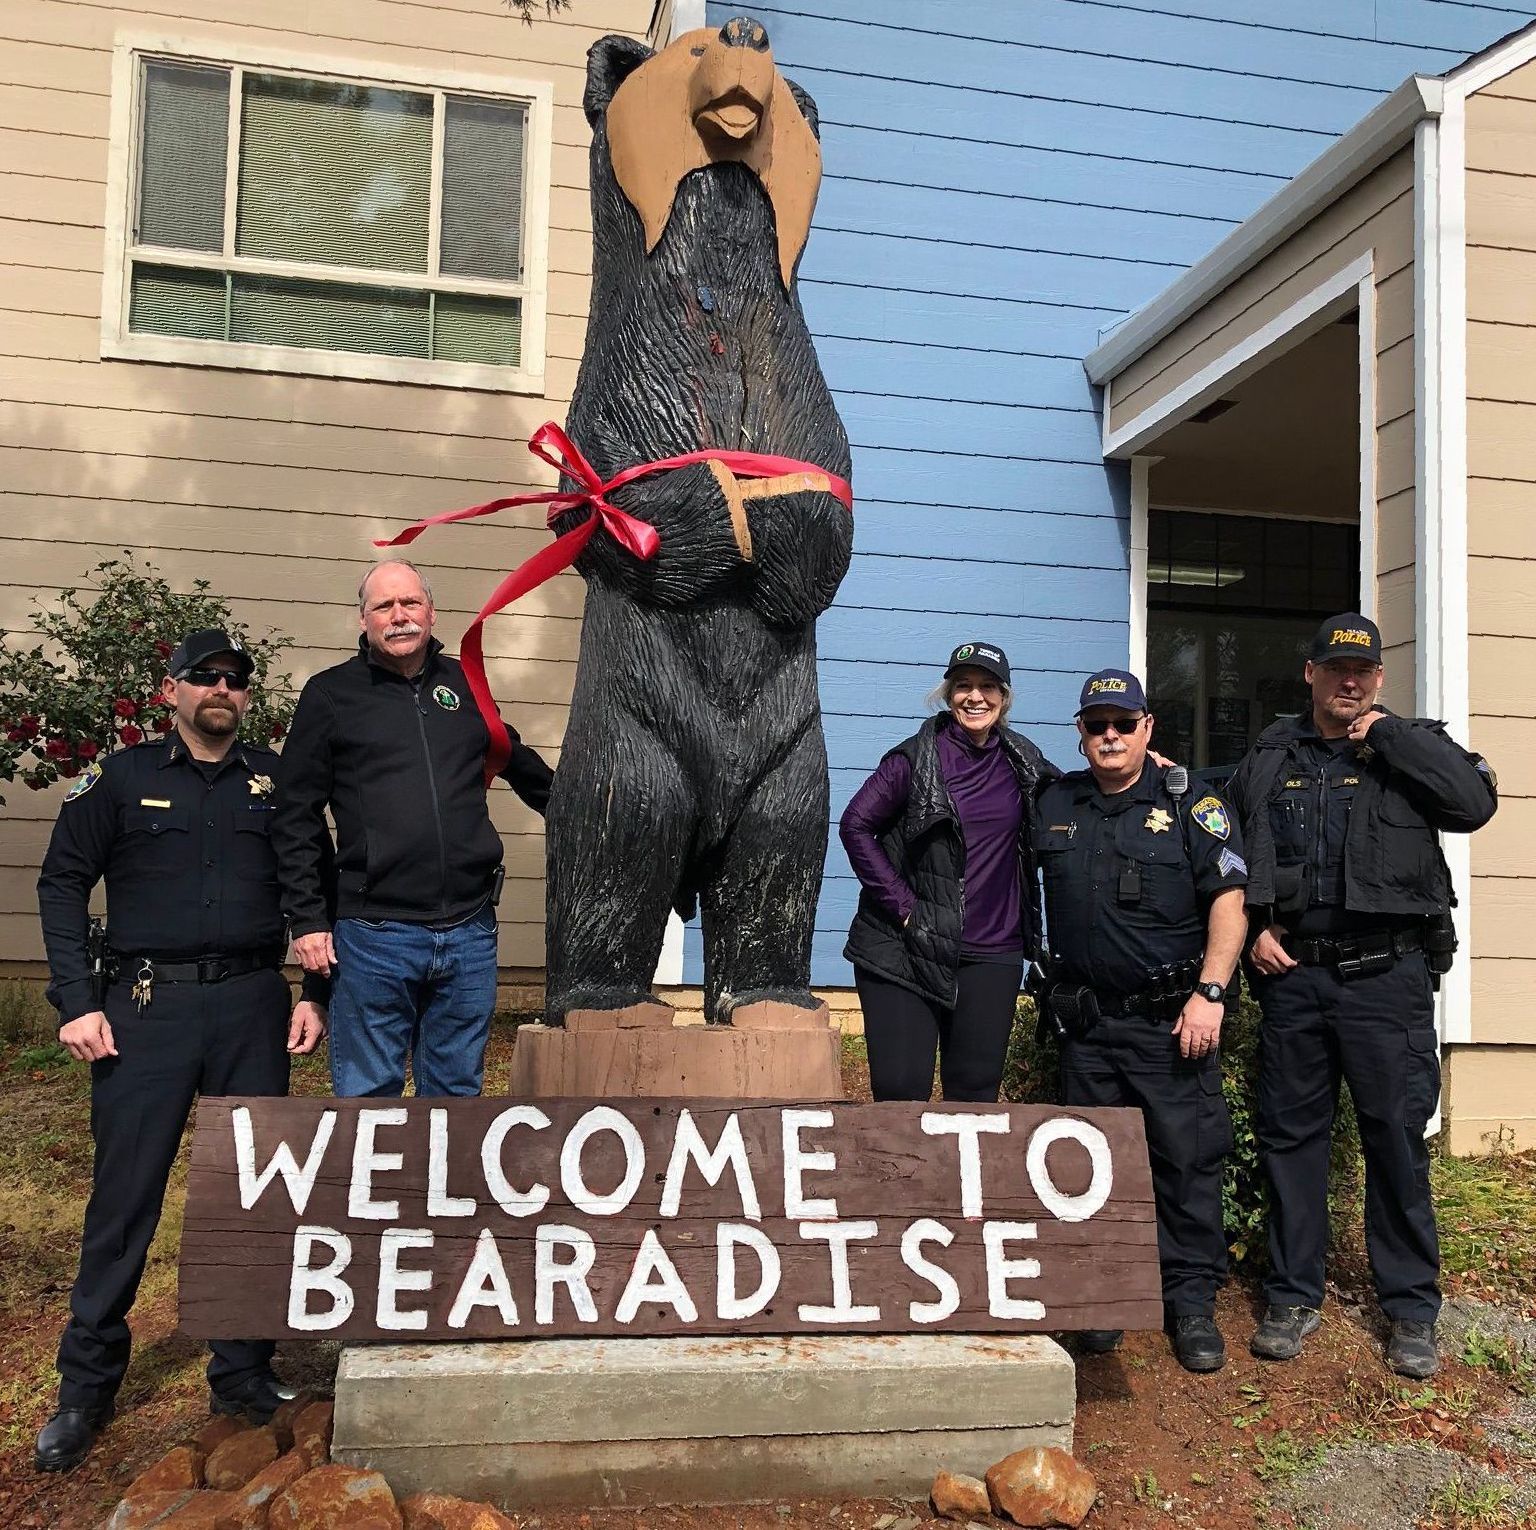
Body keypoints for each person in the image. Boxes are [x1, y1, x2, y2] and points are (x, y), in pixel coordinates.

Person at [33, 629, 328, 1474]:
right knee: (126, 1199)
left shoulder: (276, 783)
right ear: (171, 691)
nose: (222, 691)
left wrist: (315, 995)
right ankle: (85, 1387)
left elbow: (318, 889)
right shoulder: (121, 778)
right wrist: (76, 1001)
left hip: (251, 1006)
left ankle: (242, 1368)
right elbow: (60, 881)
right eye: (205, 679)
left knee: (252, 1193)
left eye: (236, 680)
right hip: (145, 1008)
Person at [1227, 613, 1497, 1379]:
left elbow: (1473, 805)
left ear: (1378, 679)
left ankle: (1410, 1309)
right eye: (1336, 669)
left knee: (1395, 1145)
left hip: (1387, 980)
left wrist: (1389, 735)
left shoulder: (1411, 747)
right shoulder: (1273, 753)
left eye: (1364, 671)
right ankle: (1291, 1294)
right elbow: (1236, 851)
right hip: (1295, 979)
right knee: (1292, 1140)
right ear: (1309, 673)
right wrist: (1253, 930)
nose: (1350, 681)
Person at [271, 560, 553, 1098]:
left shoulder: (465, 685)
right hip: (375, 934)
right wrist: (307, 918)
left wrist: (590, 813)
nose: (398, 616)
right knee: (367, 1096)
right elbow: (295, 817)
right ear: (364, 620)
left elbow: (515, 758)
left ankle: (441, 1189)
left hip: (470, 930)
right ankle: (374, 1189)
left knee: (455, 1097)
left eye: (410, 603)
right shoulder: (330, 695)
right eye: (384, 606)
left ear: (431, 612)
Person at [1035, 669, 1247, 1373]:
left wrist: (1210, 992)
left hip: (1170, 1023)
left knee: (1185, 1162)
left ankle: (1190, 1304)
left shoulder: (1192, 804)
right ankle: (1101, 1300)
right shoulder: (1057, 801)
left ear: (1148, 728)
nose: (1111, 736)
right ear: (1081, 732)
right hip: (1088, 1026)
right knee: (1088, 1169)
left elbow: (1229, 901)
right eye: (1097, 725)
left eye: (1124, 724)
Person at [840, 641, 1055, 1103]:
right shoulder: (914, 760)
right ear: (947, 693)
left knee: (974, 1100)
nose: (975, 697)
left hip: (992, 952)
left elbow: (1079, 795)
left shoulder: (1023, 759)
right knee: (902, 1097)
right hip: (904, 948)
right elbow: (855, 824)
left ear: (1005, 696)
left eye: (987, 687)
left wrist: (1148, 769)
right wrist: (904, 909)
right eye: (963, 686)